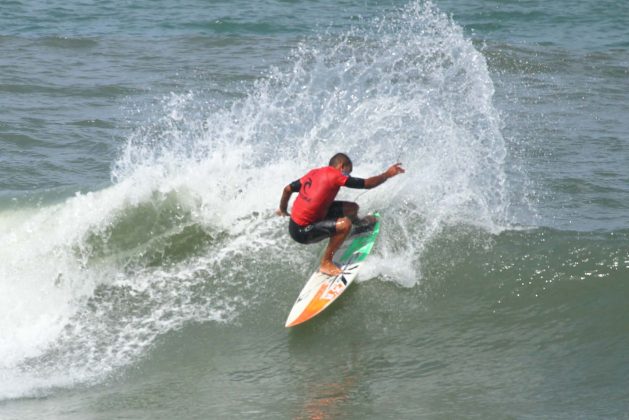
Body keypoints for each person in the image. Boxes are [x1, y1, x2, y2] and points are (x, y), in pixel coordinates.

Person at [276, 153, 405, 276]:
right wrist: (388, 174)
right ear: (342, 166)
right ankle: (326, 262)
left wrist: (282, 209)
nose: (348, 175)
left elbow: (288, 189)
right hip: (301, 230)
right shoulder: (335, 175)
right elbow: (367, 184)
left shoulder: (315, 172)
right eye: (349, 171)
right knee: (345, 225)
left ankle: (360, 224)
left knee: (352, 208)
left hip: (312, 217)